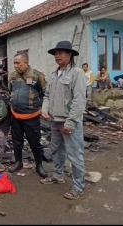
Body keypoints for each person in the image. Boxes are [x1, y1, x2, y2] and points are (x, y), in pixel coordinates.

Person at [40, 40, 87, 200]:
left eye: (61, 53)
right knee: (56, 150)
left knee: (75, 154)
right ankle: (58, 175)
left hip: (69, 123)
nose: (57, 56)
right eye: (55, 53)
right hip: (54, 120)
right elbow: (47, 95)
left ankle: (79, 186)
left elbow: (79, 101)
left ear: (70, 55)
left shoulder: (77, 73)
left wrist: (70, 122)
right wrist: (45, 109)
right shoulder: (54, 74)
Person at [8, 50, 47, 178]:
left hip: (32, 117)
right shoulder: (12, 76)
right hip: (16, 116)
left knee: (34, 142)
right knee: (17, 141)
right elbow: (11, 91)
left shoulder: (37, 76)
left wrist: (43, 108)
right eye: (14, 63)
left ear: (26, 62)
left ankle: (39, 165)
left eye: (18, 63)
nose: (15, 65)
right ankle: (18, 162)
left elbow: (45, 93)